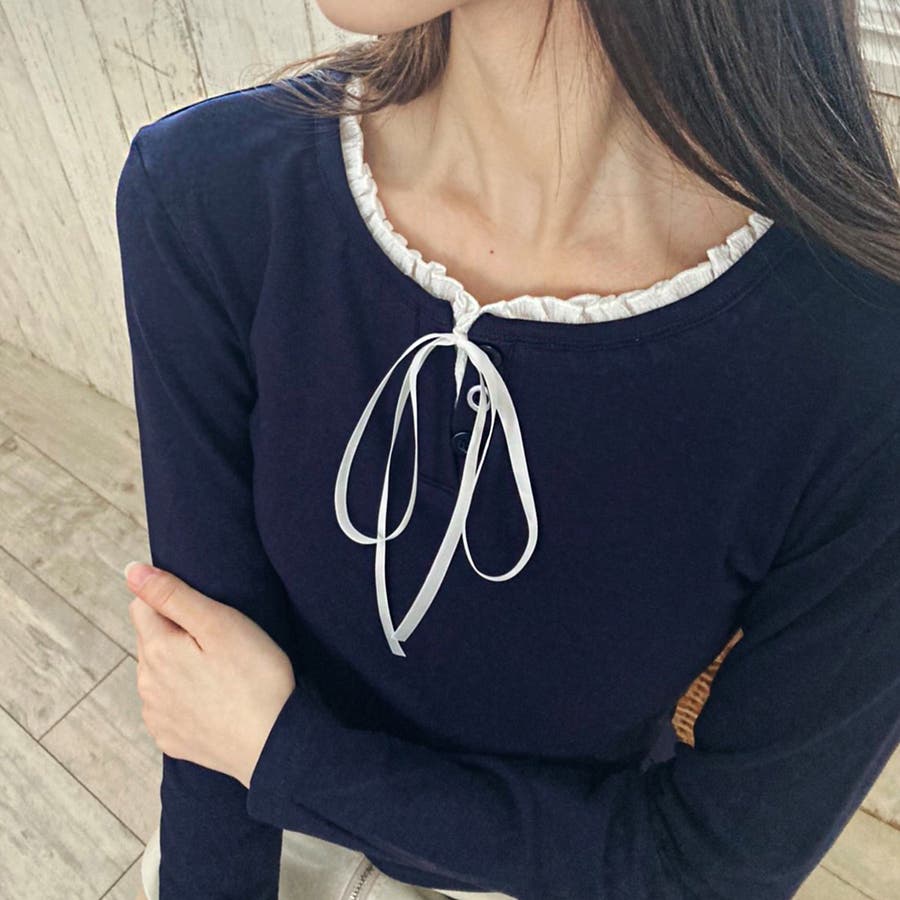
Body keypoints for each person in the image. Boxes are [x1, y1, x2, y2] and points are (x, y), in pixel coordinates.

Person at [116, 1, 900, 898]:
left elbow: (714, 864)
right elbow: (201, 671)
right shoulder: (207, 190)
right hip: (271, 826)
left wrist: (281, 753)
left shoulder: (861, 368)